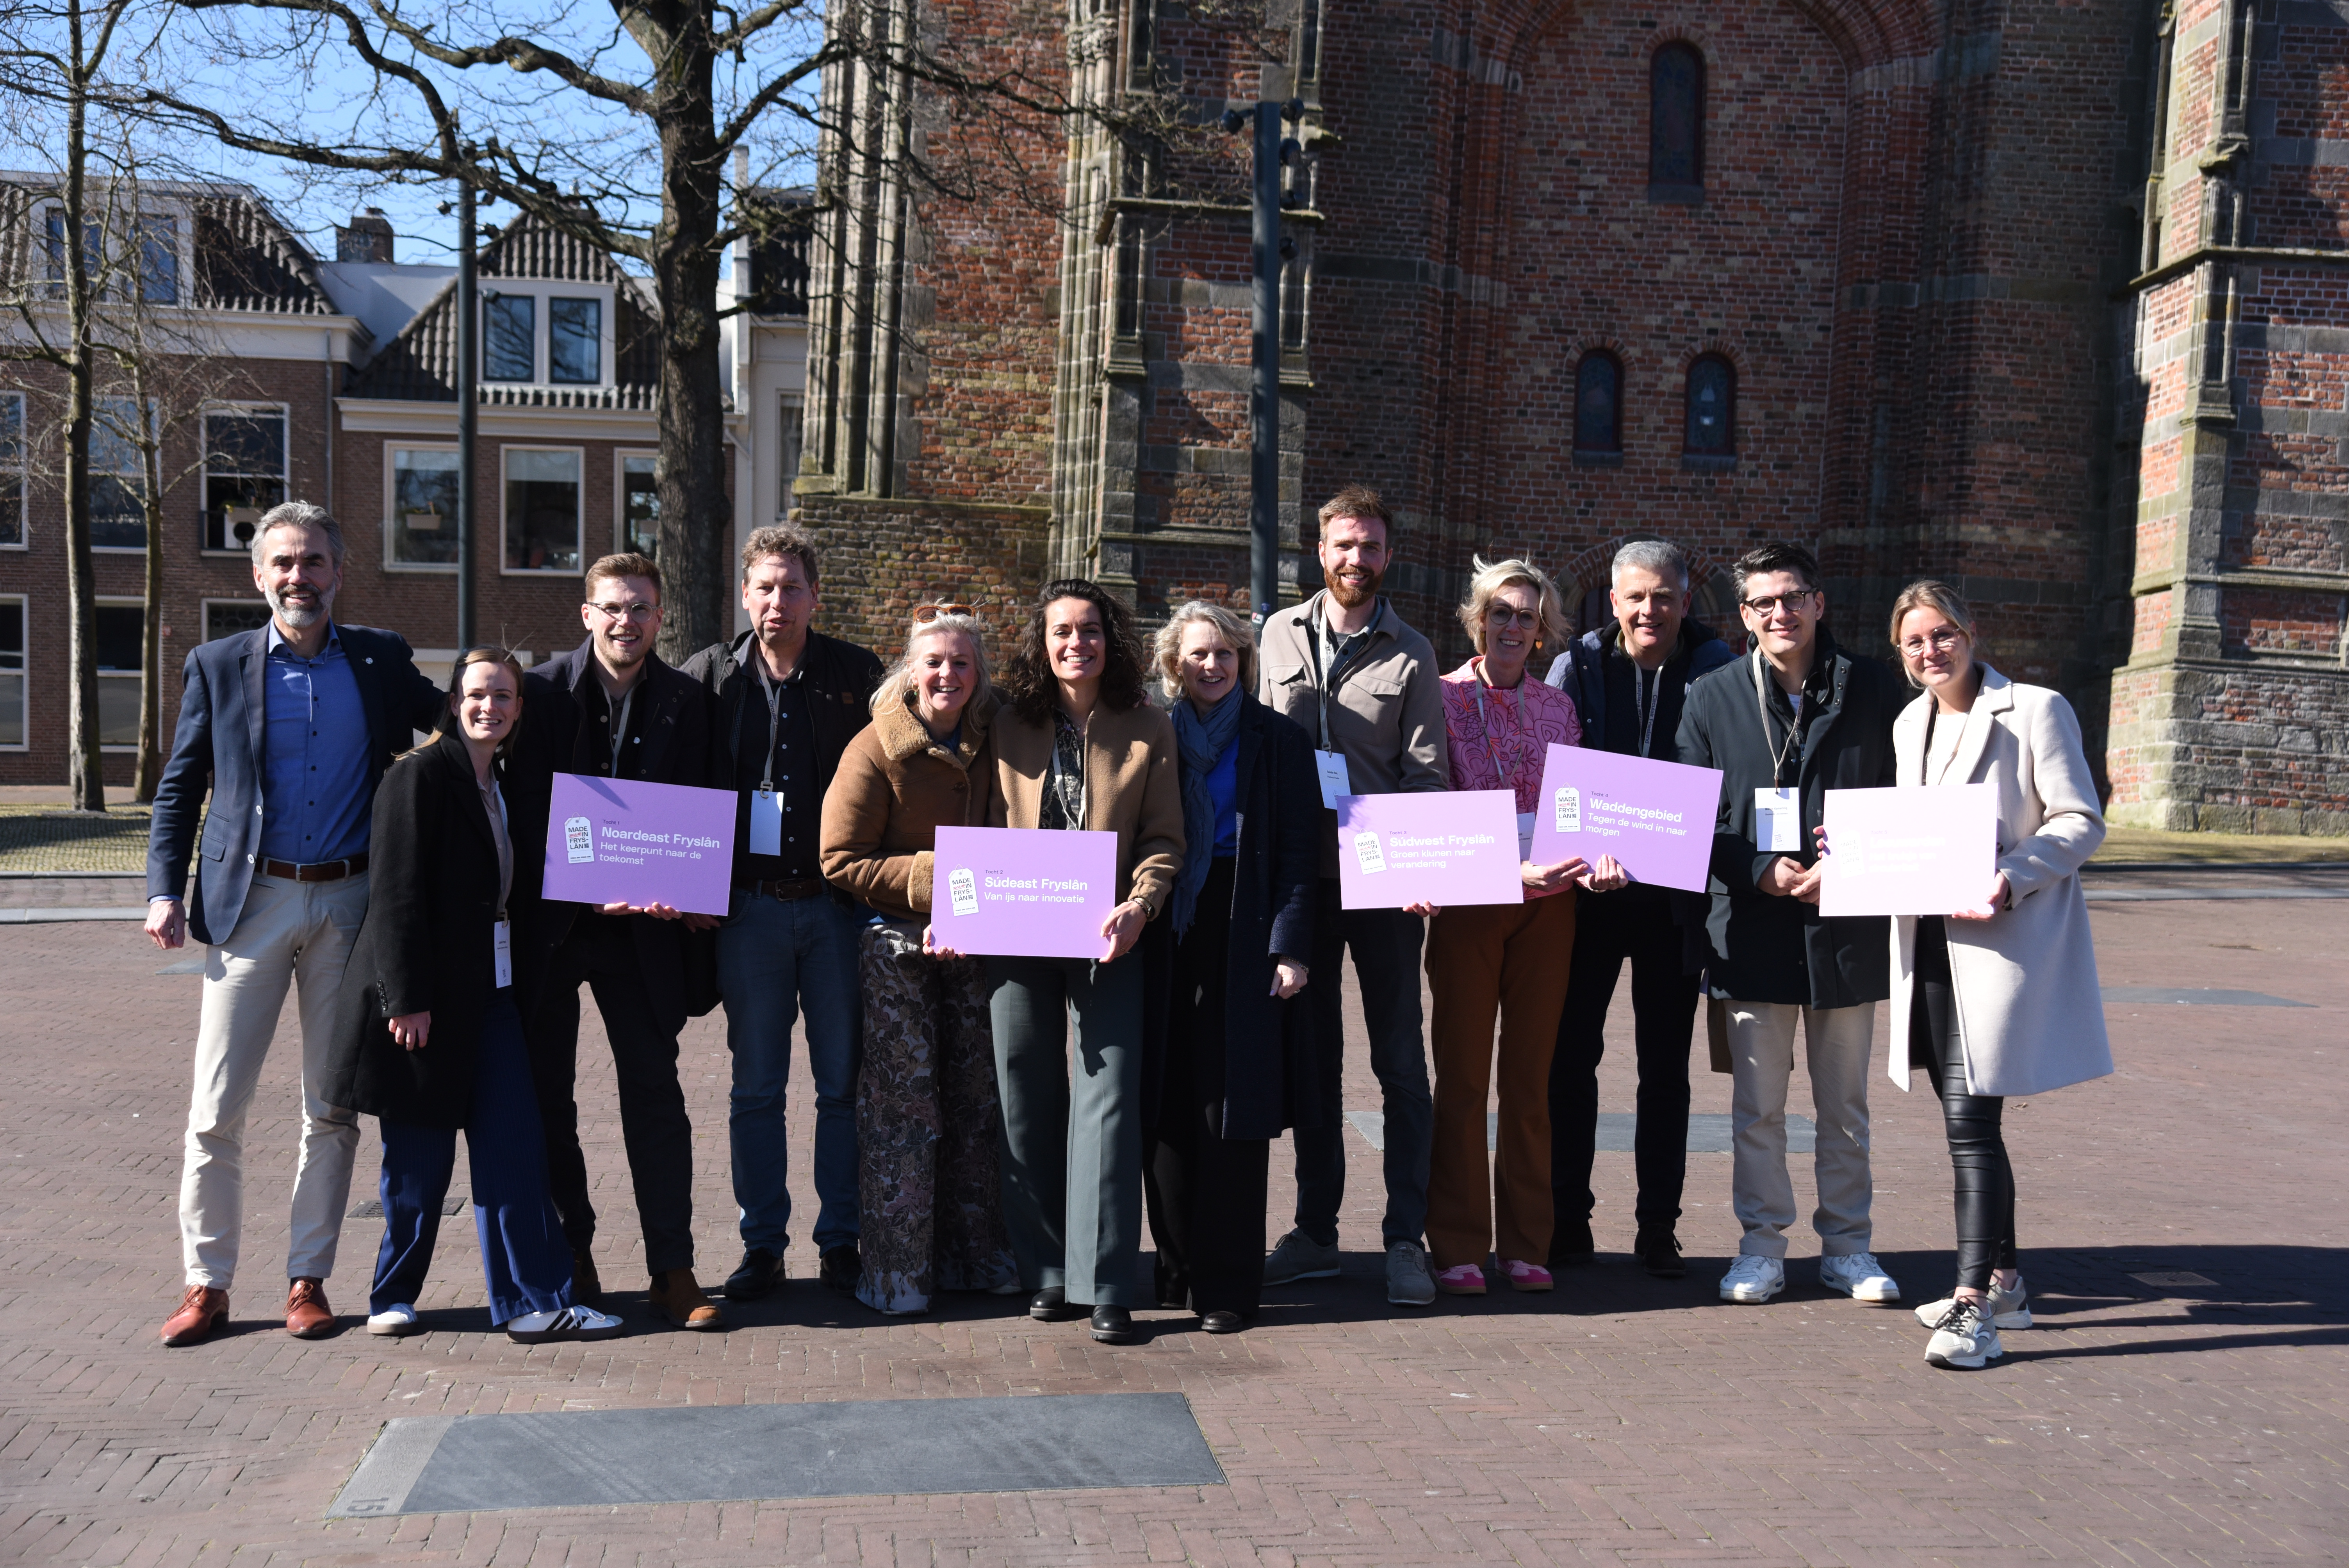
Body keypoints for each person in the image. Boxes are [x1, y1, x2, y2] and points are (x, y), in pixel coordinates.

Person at [143, 501, 447, 1347]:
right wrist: (164, 889)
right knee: (216, 1109)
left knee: (332, 1105)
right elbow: (180, 787)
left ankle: (307, 1279)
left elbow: (461, 722)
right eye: (283, 562)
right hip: (252, 903)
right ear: (258, 574)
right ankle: (207, 1283)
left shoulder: (380, 661)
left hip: (350, 906)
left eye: (313, 561)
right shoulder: (217, 663)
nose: (297, 577)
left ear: (338, 573)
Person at [323, 648, 623, 1344]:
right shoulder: (418, 778)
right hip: (425, 1002)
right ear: (455, 702)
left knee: (514, 1147)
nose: (492, 706)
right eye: (479, 693)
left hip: (494, 999)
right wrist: (405, 1000)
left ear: (521, 708)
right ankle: (392, 1294)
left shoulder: (510, 787)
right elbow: (395, 895)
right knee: (418, 1163)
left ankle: (533, 1301)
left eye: (506, 696)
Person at [1879, 581, 2111, 1368]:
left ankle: (1972, 1305)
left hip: (2003, 942)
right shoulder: (1907, 721)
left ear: (1969, 632)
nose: (1929, 652)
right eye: (1913, 641)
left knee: (1970, 1125)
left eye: (1941, 635)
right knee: (1965, 1121)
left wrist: (2010, 874)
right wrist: (1860, 850)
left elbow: (2079, 820)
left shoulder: (2035, 709)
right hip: (1931, 949)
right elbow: (1912, 831)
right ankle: (2005, 1281)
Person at [1674, 540, 1908, 1307]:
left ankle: (1847, 1245)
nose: (1780, 612)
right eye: (1763, 602)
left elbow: (1910, 799)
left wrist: (1858, 863)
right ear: (1744, 616)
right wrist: (1754, 868)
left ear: (1818, 603)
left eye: (1793, 597)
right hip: (1749, 931)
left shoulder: (1875, 689)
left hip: (1845, 926)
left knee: (1843, 1106)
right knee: (1757, 1106)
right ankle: (1760, 1246)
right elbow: (1688, 816)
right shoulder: (1709, 696)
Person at [1255, 484, 1449, 1308]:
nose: (1355, 560)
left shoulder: (1411, 654)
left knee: (1399, 1061)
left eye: (1369, 547)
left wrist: (1413, 865)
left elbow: (1427, 773)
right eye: (1342, 545)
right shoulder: (1272, 636)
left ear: (1386, 555)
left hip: (1382, 884)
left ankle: (1406, 1237)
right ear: (1319, 548)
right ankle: (1316, 1228)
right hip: (1300, 879)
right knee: (1312, 1060)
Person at [977, 579, 1184, 1345]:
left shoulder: (1146, 727)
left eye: (1090, 630)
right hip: (1016, 930)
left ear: (1111, 639)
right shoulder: (1004, 724)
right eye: (1061, 631)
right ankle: (1047, 1271)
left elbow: (1164, 839)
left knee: (1108, 1103)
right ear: (1040, 642)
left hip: (1110, 932)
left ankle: (1105, 1280)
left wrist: (1140, 905)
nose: (1076, 644)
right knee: (1023, 1092)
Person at [519, 552, 723, 1331]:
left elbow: (708, 801)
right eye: (611, 607)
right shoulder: (537, 693)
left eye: (639, 608)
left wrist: (697, 884)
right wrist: (572, 883)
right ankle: (572, 1259)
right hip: (557, 929)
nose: (624, 621)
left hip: (646, 930)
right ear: (586, 614)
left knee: (656, 1097)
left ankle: (672, 1268)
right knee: (548, 1101)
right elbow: (515, 810)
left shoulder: (686, 700)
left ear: (659, 618)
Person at [684, 526, 884, 1302]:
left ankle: (840, 1240)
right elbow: (681, 785)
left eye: (791, 587)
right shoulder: (710, 676)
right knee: (756, 1089)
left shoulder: (857, 674)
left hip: (836, 910)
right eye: (764, 587)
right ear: (745, 594)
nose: (777, 601)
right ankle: (761, 1244)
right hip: (749, 914)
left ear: (814, 596)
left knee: (841, 1086)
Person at [1426, 559, 1625, 1297]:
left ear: (1545, 633)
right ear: (1479, 618)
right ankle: (1454, 1242)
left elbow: (1581, 809)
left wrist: (1606, 855)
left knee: (1531, 1079)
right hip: (1471, 907)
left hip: (1552, 909)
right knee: (1464, 1076)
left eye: (1527, 616)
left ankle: (1525, 1241)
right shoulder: (1440, 697)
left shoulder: (1558, 708)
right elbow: (1428, 803)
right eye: (1501, 612)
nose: (1513, 626)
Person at [818, 606, 1019, 1314]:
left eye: (962, 663)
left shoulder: (1003, 735)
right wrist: (939, 881)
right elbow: (839, 857)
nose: (947, 674)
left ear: (979, 673)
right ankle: (898, 1273)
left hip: (983, 939)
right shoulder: (874, 747)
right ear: (910, 668)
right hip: (896, 943)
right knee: (903, 1107)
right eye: (933, 661)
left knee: (978, 1102)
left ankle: (976, 1257)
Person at [1543, 539, 1736, 1277]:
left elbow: (1727, 771)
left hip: (1673, 902)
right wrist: (1580, 853)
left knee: (1666, 1066)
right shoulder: (1580, 664)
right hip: (1591, 895)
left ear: (1685, 602)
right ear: (1613, 602)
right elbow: (1557, 765)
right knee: (1573, 1058)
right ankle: (1569, 1219)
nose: (1649, 610)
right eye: (1636, 597)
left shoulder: (1717, 668)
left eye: (1663, 597)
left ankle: (1659, 1226)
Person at [1141, 601, 1320, 1333]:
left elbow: (1300, 854)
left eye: (1225, 655)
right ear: (1172, 664)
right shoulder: (1153, 736)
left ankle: (1228, 1285)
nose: (1212, 667)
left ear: (1243, 661)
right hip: (1163, 923)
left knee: (1233, 1109)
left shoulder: (1277, 740)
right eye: (1197, 655)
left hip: (1244, 925)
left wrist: (1292, 945)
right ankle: (1177, 1267)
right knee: (1168, 1103)